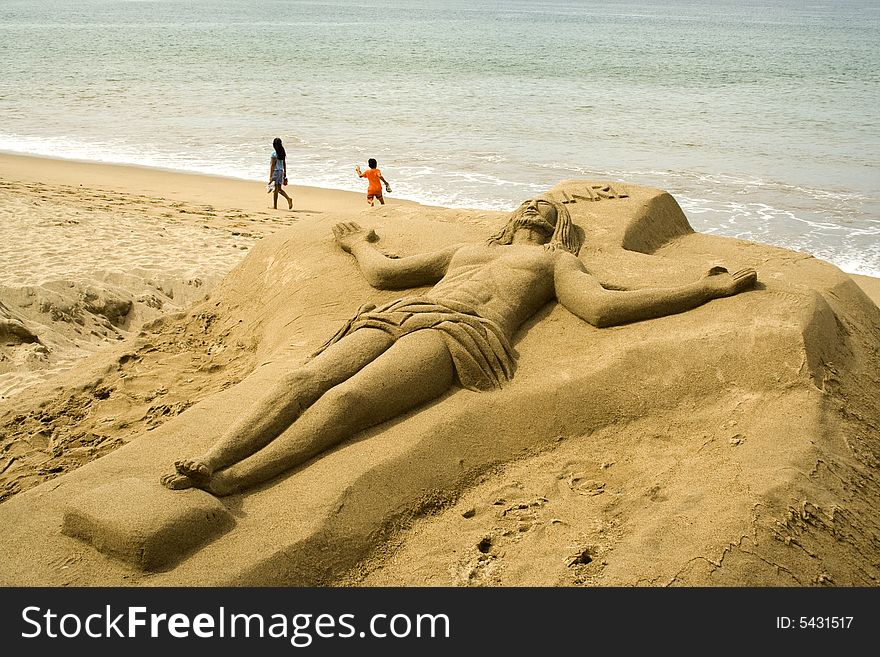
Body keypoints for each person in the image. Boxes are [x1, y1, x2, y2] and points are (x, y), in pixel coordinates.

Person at [162, 196, 757, 496]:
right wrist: (356, 242)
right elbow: (386, 274)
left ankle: (238, 479)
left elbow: (601, 308)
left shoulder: (551, 260)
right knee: (301, 381)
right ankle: (213, 456)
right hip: (400, 313)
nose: (536, 205)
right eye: (532, 199)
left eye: (546, 208)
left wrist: (704, 290)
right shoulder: (467, 250)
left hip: (456, 333)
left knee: (346, 404)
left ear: (556, 227)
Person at [268, 137, 293, 210]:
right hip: (281, 172)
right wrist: (285, 173)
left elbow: (272, 165)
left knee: (275, 190)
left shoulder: (274, 154)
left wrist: (270, 176)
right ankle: (288, 199)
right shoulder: (282, 153)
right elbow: (284, 164)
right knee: (278, 189)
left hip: (275, 172)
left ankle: (275, 206)